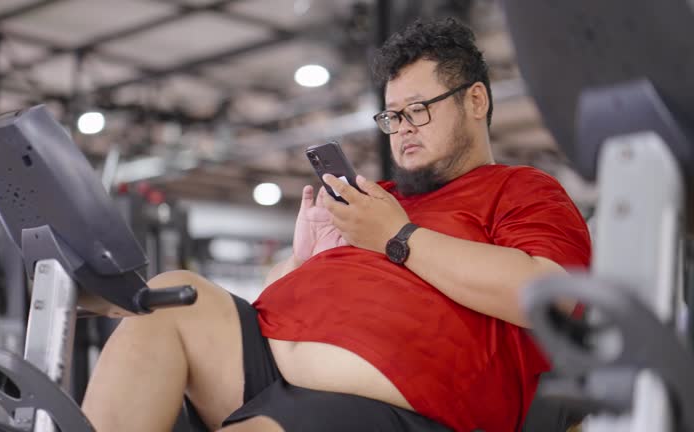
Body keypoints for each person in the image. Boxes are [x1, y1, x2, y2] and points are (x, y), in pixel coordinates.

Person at [82, 17, 591, 432]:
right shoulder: (375, 200)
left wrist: (399, 238)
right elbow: (270, 301)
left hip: (385, 406)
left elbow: (549, 293)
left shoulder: (522, 189)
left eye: (418, 110)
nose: (403, 129)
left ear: (475, 100)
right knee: (170, 297)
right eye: (393, 116)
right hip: (268, 370)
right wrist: (306, 260)